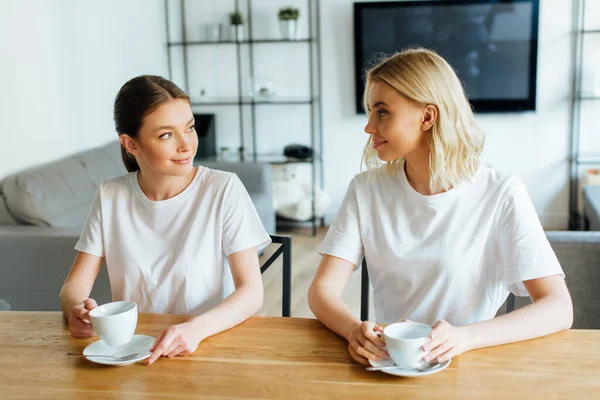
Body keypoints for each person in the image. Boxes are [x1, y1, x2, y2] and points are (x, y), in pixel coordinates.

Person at [308, 48, 573, 366]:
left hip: (471, 363)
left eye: (382, 112)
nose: (368, 128)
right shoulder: (366, 190)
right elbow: (322, 290)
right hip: (393, 366)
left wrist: (465, 338)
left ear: (427, 117)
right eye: (369, 112)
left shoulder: (502, 193)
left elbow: (558, 307)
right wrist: (354, 331)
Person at [59, 75, 270, 365]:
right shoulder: (112, 195)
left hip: (205, 346)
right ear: (130, 143)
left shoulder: (222, 189)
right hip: (133, 352)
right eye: (166, 135)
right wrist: (77, 311)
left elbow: (252, 293)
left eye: (190, 128)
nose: (186, 145)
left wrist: (195, 330)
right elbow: (73, 288)